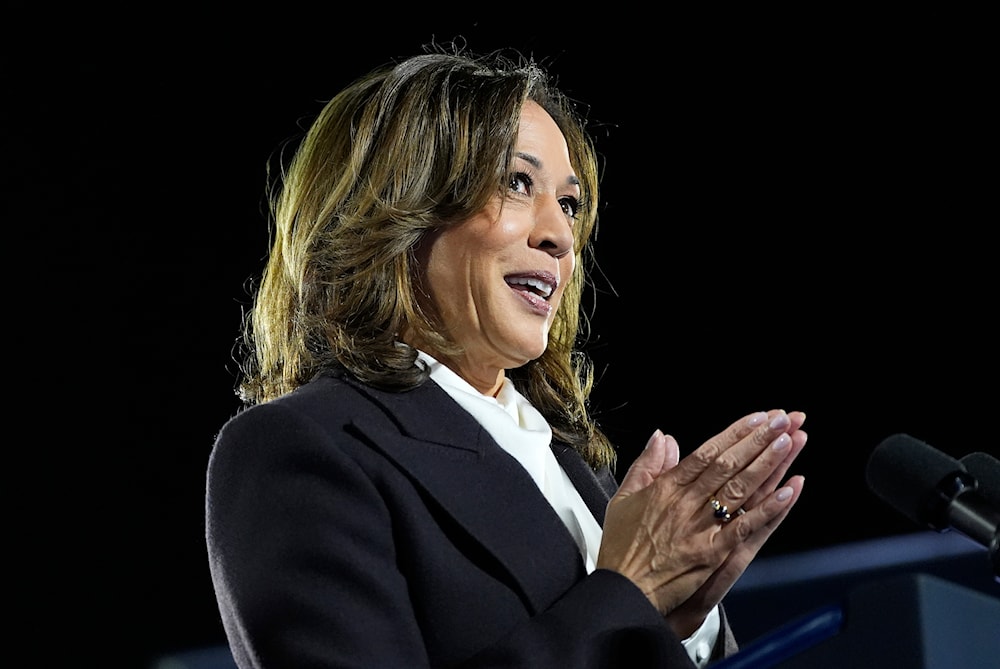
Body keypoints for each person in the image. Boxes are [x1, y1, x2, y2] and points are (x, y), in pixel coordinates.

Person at [205, 43, 808, 669]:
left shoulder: (574, 468)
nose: (561, 236)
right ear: (395, 209)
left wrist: (688, 623)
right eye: (517, 183)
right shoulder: (301, 448)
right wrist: (631, 594)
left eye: (569, 203)